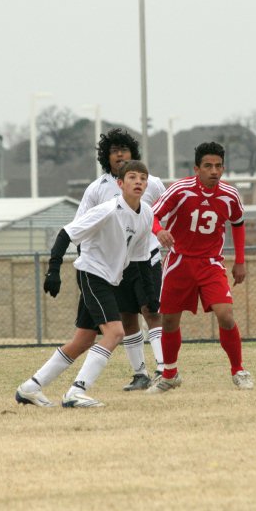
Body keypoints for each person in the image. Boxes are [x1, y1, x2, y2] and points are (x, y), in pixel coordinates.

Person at [15, 160, 155, 408]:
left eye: (143, 178)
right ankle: (76, 392)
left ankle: (30, 387)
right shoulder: (108, 210)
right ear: (120, 184)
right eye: (132, 177)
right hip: (92, 274)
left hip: (111, 278)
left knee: (82, 341)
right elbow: (66, 233)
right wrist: (53, 269)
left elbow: (142, 259)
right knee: (116, 332)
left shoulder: (146, 213)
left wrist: (150, 295)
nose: (139, 182)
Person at [146, 141, 253, 393]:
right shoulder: (180, 190)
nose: (213, 171)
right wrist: (159, 231)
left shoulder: (230, 195)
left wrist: (240, 261)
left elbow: (238, 223)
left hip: (211, 263)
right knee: (169, 321)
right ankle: (170, 374)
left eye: (218, 166)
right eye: (208, 166)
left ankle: (238, 370)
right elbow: (151, 214)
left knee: (225, 315)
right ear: (197, 168)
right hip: (179, 262)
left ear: (223, 168)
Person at [76, 128, 166, 391]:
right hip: (115, 264)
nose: (119, 155)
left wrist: (163, 234)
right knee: (127, 317)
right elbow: (80, 225)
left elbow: (167, 212)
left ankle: (164, 369)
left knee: (152, 311)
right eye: (114, 151)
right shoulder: (97, 189)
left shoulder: (153, 183)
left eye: (124, 150)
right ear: (107, 157)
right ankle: (140, 373)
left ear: (132, 153)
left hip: (146, 258)